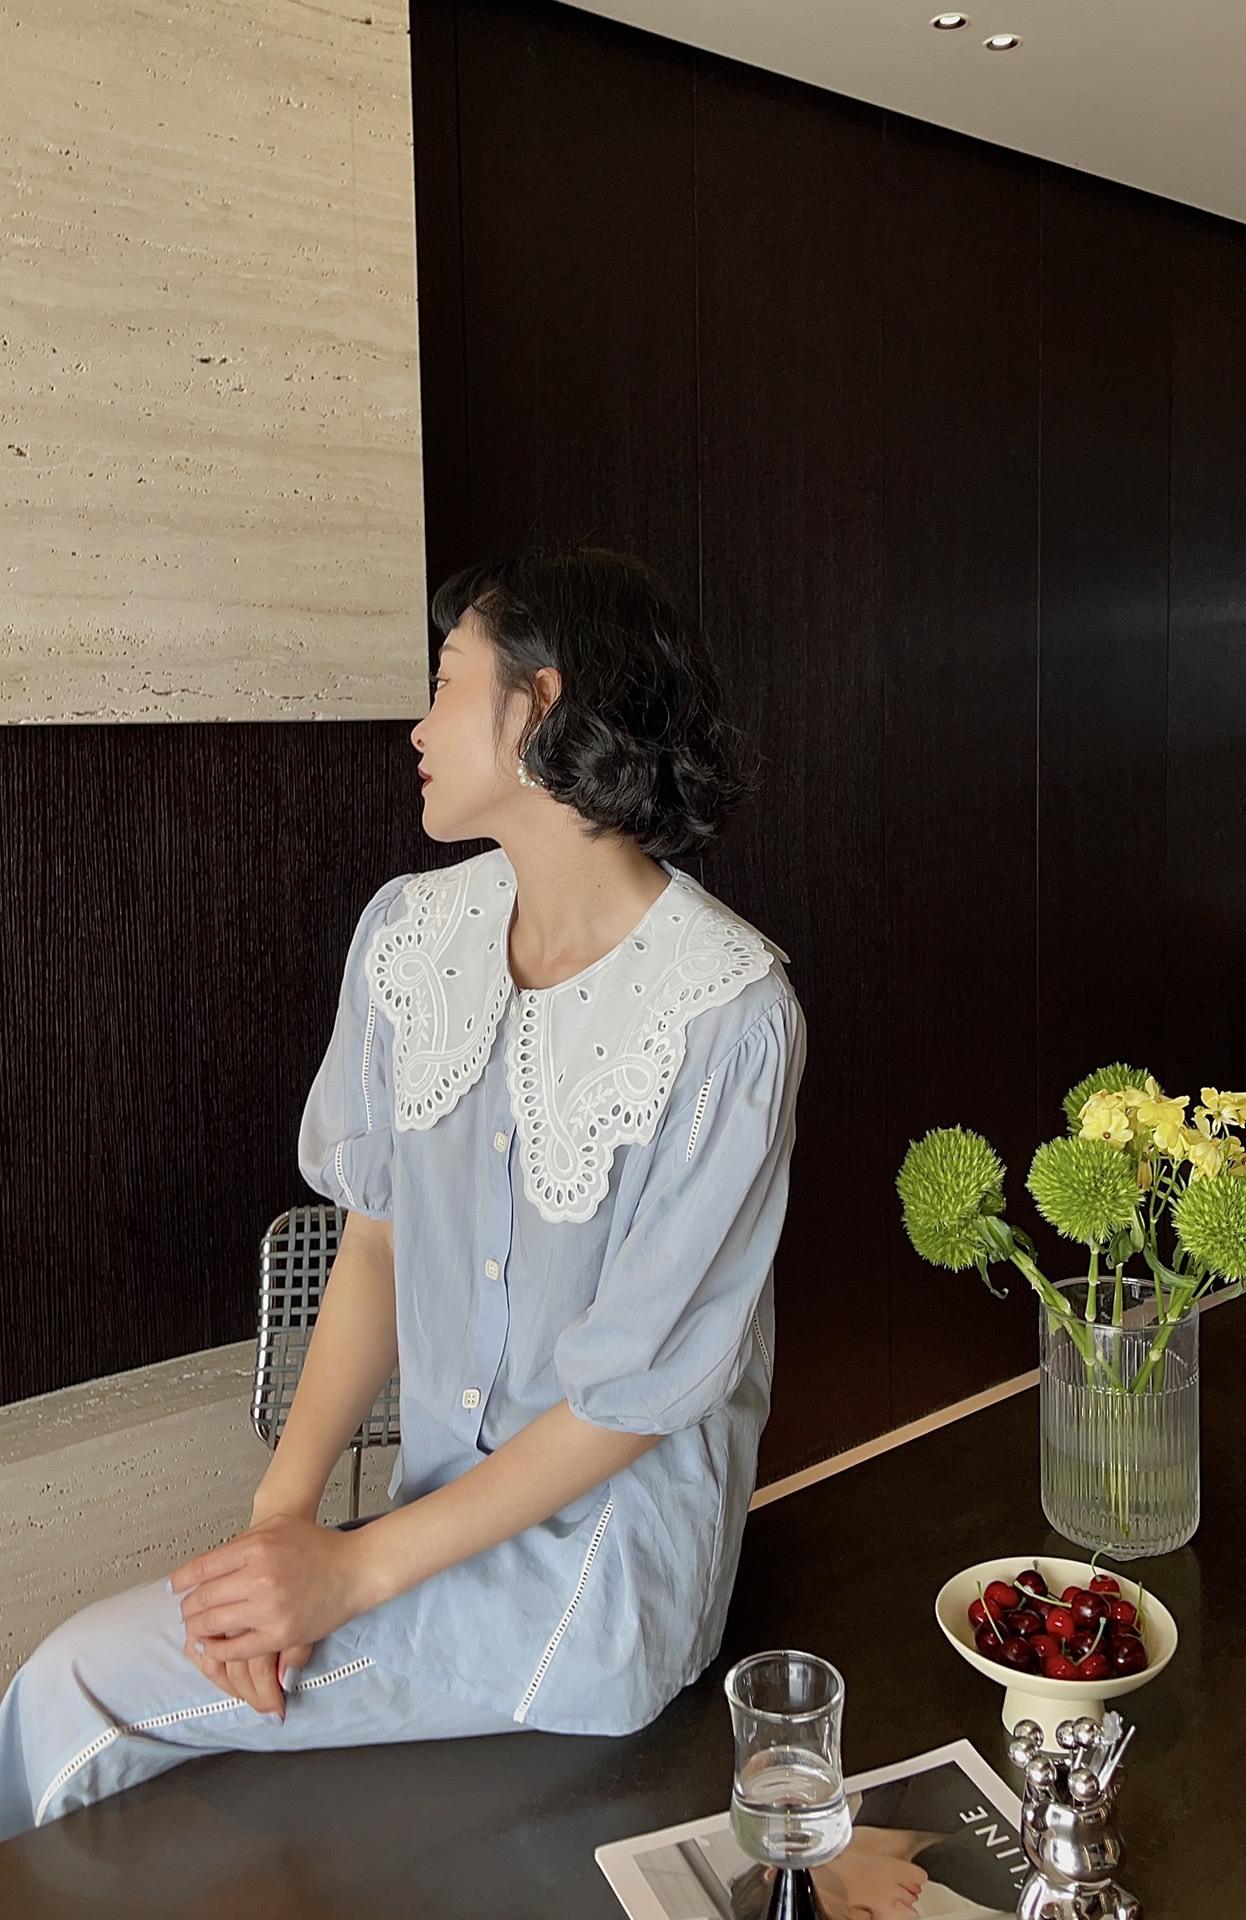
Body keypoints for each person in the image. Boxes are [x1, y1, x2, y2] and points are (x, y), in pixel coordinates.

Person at [0, 545, 808, 1841]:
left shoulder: (727, 1014)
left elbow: (630, 1398)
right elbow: (373, 1240)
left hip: (594, 1590)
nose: (419, 727)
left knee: (72, 1688)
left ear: (540, 706)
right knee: (128, 1670)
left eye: (444, 683)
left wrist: (347, 1574)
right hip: (417, 1538)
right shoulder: (411, 937)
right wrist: (282, 1527)